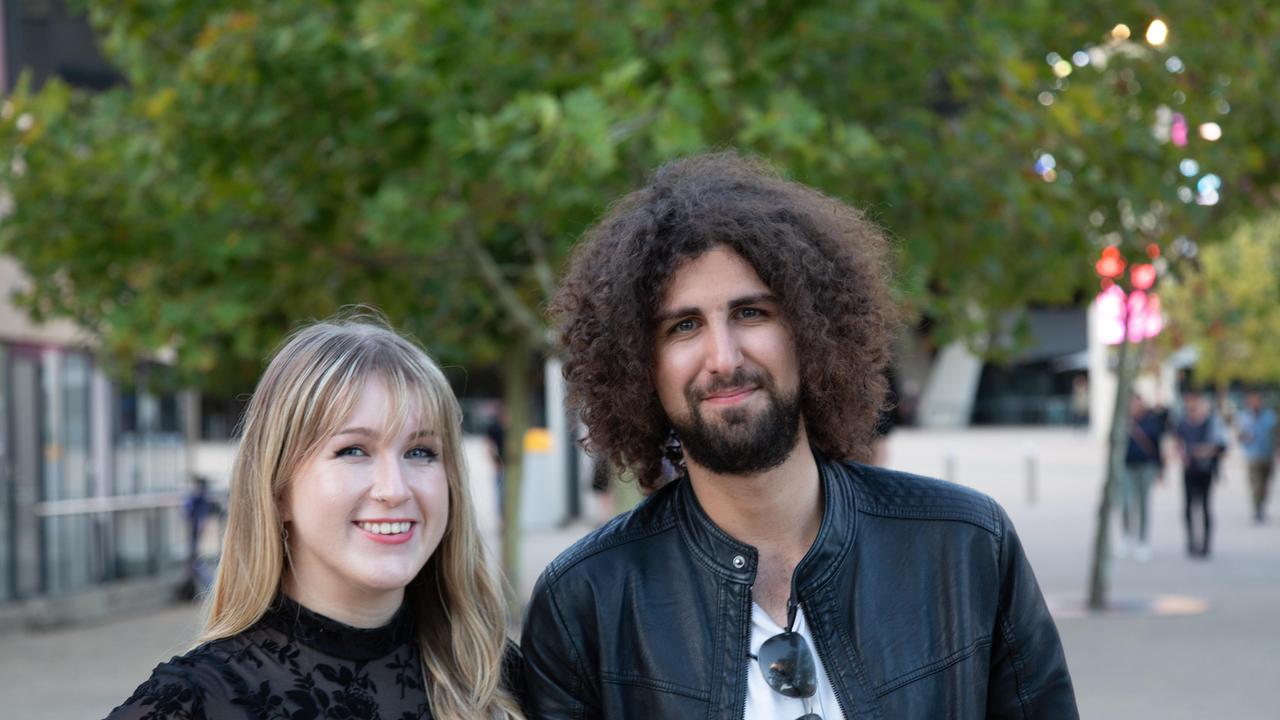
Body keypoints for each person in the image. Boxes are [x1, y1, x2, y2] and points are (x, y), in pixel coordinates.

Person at [526, 152, 1077, 718]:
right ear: (640, 366)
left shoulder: (964, 547)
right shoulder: (586, 602)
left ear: (811, 332)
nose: (723, 357)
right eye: (683, 326)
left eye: (750, 313)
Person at [107, 314, 523, 720]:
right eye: (353, 451)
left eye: (421, 452)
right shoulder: (193, 704)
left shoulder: (498, 680)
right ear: (277, 489)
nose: (394, 489)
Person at [1175, 392, 1227, 558]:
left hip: (1205, 470)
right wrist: (1182, 454)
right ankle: (1191, 541)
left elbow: (1222, 446)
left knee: (1205, 507)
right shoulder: (1183, 423)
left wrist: (1204, 451)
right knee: (1189, 507)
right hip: (1189, 470)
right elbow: (1177, 441)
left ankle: (1205, 544)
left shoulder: (1212, 423)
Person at [1118, 394, 1165, 562]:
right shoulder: (1123, 422)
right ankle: (1126, 536)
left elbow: (1158, 446)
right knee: (1126, 502)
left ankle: (1143, 541)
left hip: (1146, 467)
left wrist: (1161, 470)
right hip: (1127, 467)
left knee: (1144, 504)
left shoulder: (1151, 421)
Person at [1236, 391, 1276, 523]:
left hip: (1268, 454)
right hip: (1252, 455)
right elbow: (1240, 436)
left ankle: (1261, 504)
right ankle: (1257, 508)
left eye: (1257, 400)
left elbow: (1276, 434)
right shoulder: (1244, 417)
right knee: (1255, 484)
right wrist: (1245, 438)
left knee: (1265, 484)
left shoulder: (1270, 416)